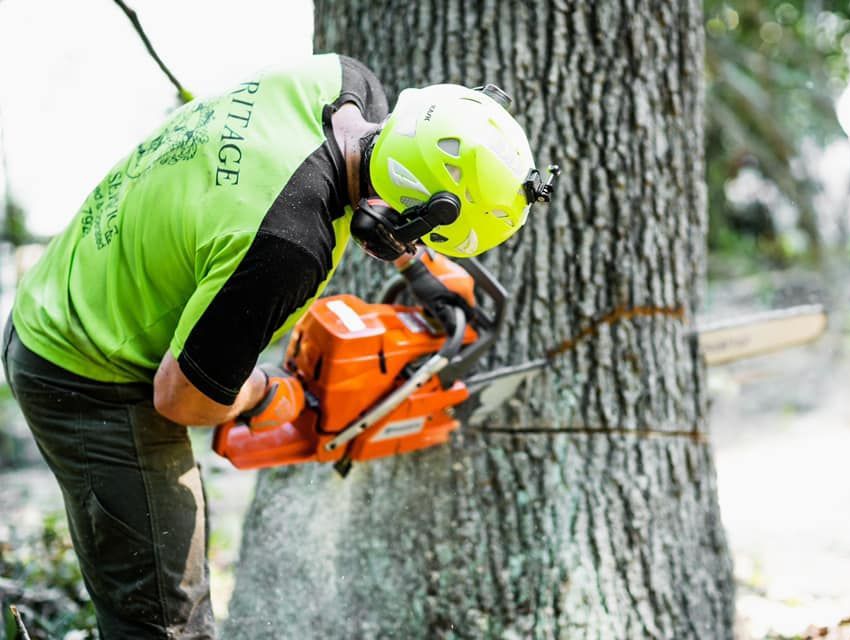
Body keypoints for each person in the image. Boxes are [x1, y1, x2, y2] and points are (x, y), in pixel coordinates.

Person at [0, 53, 544, 638]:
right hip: (83, 369)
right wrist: (263, 392)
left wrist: (416, 262)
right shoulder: (288, 245)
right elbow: (182, 400)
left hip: (77, 277)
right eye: (428, 232)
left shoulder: (343, 81)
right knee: (166, 620)